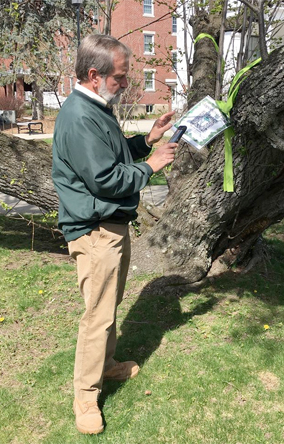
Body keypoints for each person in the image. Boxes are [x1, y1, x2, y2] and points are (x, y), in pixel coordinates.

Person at [52, 34, 177, 435]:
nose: (125, 84)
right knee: (97, 316)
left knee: (108, 308)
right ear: (94, 74)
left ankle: (105, 366)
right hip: (93, 231)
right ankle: (85, 396)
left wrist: (146, 141)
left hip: (110, 227)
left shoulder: (94, 107)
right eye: (120, 78)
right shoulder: (79, 116)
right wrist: (152, 166)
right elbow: (105, 178)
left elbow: (112, 152)